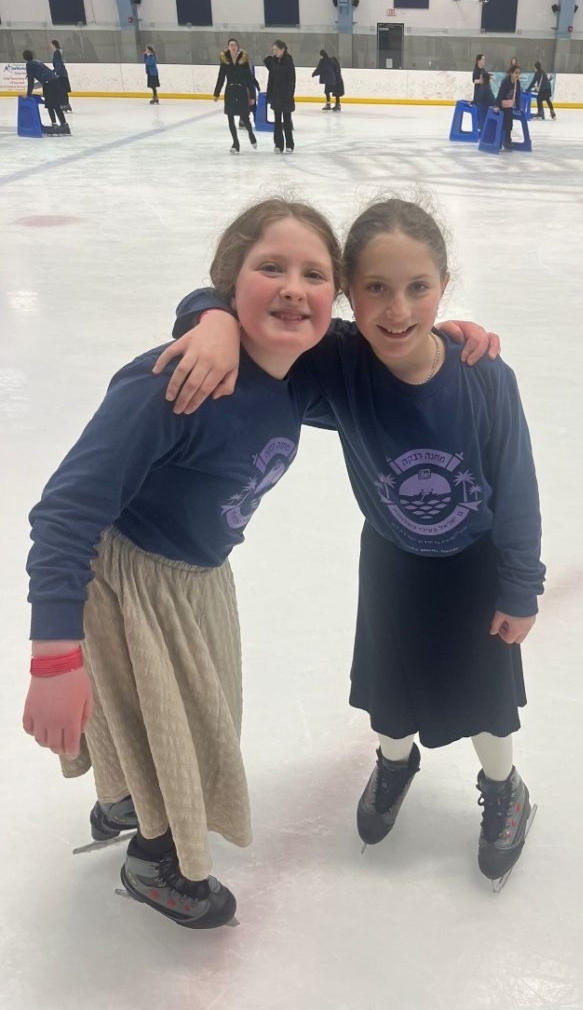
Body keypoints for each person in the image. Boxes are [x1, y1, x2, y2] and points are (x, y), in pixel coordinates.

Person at [154, 198, 544, 885]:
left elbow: (517, 487)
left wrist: (521, 586)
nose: (398, 310)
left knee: (486, 698)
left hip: (475, 567)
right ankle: (395, 761)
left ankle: (504, 785)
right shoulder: (337, 364)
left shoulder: (483, 375)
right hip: (391, 561)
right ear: (347, 295)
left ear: (445, 285)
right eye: (376, 289)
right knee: (389, 690)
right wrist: (209, 319)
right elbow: (238, 305)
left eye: (418, 287)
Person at [23, 198, 345, 930]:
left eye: (314, 274)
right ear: (232, 279)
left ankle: (125, 797)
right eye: (271, 268)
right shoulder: (173, 382)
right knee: (188, 732)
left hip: (199, 578)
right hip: (131, 582)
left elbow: (394, 345)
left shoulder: (305, 375)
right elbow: (65, 513)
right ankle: (153, 859)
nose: (294, 288)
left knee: (166, 713)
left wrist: (454, 342)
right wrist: (54, 659)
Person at [213, 38, 258, 154]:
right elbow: (221, 78)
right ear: (228, 47)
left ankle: (251, 134)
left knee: (245, 117)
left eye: (234, 45)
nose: (233, 47)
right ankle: (235, 143)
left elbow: (249, 79)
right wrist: (216, 93)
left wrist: (252, 96)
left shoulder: (243, 60)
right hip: (230, 91)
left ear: (238, 47)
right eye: (230, 45)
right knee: (230, 118)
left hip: (241, 90)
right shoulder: (225, 61)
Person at [22, 49, 70, 135]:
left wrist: (28, 94)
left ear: (24, 58)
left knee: (51, 105)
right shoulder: (36, 62)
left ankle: (56, 125)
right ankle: (63, 125)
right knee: (54, 104)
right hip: (53, 82)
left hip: (49, 84)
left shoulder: (29, 64)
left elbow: (31, 81)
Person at [264, 39, 296, 153]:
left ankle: (289, 144)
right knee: (277, 122)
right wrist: (269, 94)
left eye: (276, 50)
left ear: (282, 49)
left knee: (287, 121)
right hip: (276, 96)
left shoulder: (288, 62)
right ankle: (278, 144)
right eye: (273, 50)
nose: (274, 52)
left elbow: (292, 81)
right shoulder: (273, 61)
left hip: (286, 97)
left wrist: (289, 95)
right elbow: (271, 80)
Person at [494, 65, 523, 151]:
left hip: (509, 106)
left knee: (509, 124)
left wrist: (518, 108)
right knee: (503, 123)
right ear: (511, 73)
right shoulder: (506, 82)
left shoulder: (517, 83)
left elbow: (517, 96)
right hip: (502, 105)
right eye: (516, 73)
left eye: (519, 73)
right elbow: (500, 94)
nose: (517, 75)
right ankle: (500, 140)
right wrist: (497, 106)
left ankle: (507, 140)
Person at [50, 39, 71, 112]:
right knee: (63, 90)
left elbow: (58, 64)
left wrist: (57, 73)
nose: (50, 46)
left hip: (61, 74)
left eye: (51, 45)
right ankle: (66, 105)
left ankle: (63, 105)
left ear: (54, 45)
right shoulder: (60, 51)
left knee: (60, 90)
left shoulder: (56, 52)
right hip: (63, 73)